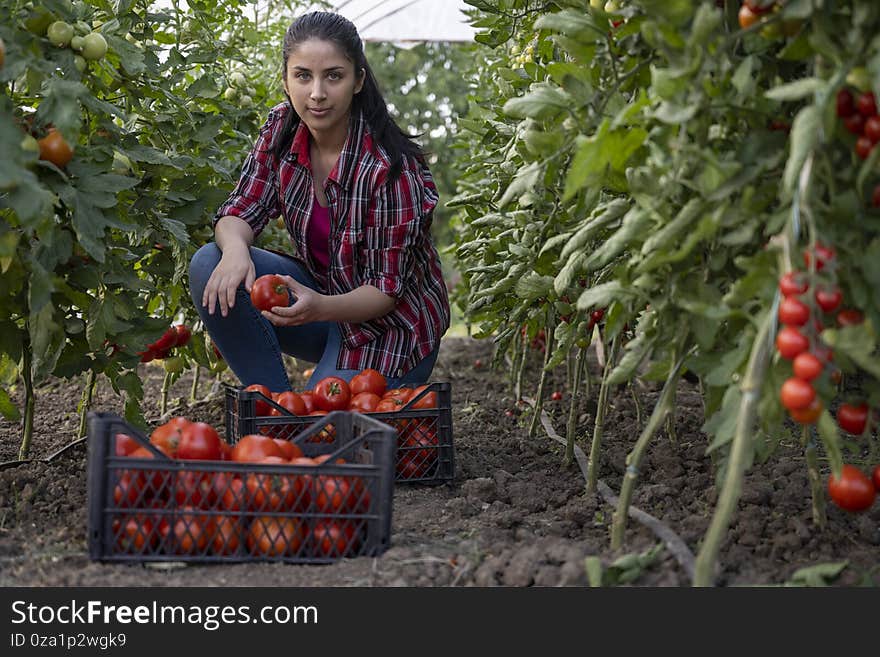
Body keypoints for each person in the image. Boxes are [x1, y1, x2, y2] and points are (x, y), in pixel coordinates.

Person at [189, 11, 450, 393]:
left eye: (333, 75)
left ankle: (299, 416)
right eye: (303, 76)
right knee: (208, 263)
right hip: (320, 305)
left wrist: (319, 305)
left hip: (391, 332)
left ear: (358, 80)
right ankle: (272, 405)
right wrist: (234, 251)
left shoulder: (391, 167)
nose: (316, 93)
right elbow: (241, 208)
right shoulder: (282, 127)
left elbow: (385, 291)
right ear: (285, 79)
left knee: (323, 435)